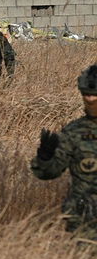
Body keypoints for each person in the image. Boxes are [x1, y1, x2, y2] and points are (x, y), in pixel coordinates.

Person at [31, 65, 97, 245]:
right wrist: (44, 157)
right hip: (86, 217)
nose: (90, 99)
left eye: (94, 95)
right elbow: (50, 172)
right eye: (86, 94)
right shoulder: (73, 132)